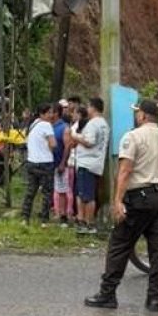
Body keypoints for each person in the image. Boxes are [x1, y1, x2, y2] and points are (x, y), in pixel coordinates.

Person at [84, 99, 158, 313]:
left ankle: (107, 293)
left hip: (139, 197)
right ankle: (154, 299)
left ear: (143, 116)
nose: (137, 116)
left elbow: (125, 171)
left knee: (120, 245)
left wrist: (117, 201)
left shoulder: (132, 137)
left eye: (138, 113)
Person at [70, 97, 109, 235]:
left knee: (87, 195)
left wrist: (75, 136)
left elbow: (89, 141)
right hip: (96, 162)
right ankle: (84, 221)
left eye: (88, 106)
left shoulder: (93, 124)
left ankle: (87, 222)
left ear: (93, 107)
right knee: (85, 193)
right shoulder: (104, 123)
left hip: (87, 163)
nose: (87, 109)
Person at [22, 103, 58, 223]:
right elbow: (53, 144)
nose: (51, 115)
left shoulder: (33, 124)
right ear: (42, 114)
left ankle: (25, 217)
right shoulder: (46, 125)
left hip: (32, 162)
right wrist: (50, 148)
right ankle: (44, 220)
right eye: (49, 113)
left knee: (30, 191)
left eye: (52, 112)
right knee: (47, 192)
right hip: (45, 163)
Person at [52, 100, 75, 227]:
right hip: (51, 164)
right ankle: (57, 212)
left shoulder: (64, 128)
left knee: (62, 191)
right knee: (56, 190)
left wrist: (63, 163)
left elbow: (68, 146)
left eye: (51, 112)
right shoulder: (50, 126)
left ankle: (63, 215)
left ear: (56, 113)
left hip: (60, 164)